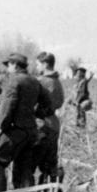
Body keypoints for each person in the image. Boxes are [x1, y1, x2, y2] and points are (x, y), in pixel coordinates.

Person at [0, 53, 52, 192]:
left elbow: (7, 108)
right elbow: (48, 104)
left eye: (9, 65)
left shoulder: (13, 81)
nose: (7, 68)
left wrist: (1, 128)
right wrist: (36, 115)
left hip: (15, 130)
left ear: (15, 65)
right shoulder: (35, 81)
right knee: (24, 164)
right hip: (31, 130)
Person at [33, 52, 65, 184]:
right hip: (53, 123)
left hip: (43, 124)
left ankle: (42, 189)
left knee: (38, 158)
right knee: (51, 158)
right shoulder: (57, 81)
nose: (36, 67)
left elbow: (35, 104)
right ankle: (52, 187)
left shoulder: (43, 82)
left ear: (45, 64)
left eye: (37, 64)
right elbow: (60, 101)